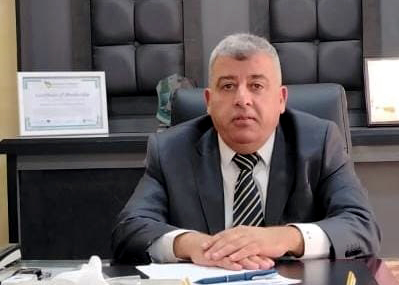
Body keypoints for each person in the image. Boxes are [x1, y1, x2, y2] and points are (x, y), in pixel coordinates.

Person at [112, 33, 380, 268]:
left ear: (281, 99)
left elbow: (361, 226)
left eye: (256, 86)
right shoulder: (172, 150)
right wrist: (193, 245)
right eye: (228, 86)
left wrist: (284, 238)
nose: (242, 99)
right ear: (208, 101)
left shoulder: (319, 142)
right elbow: (128, 231)